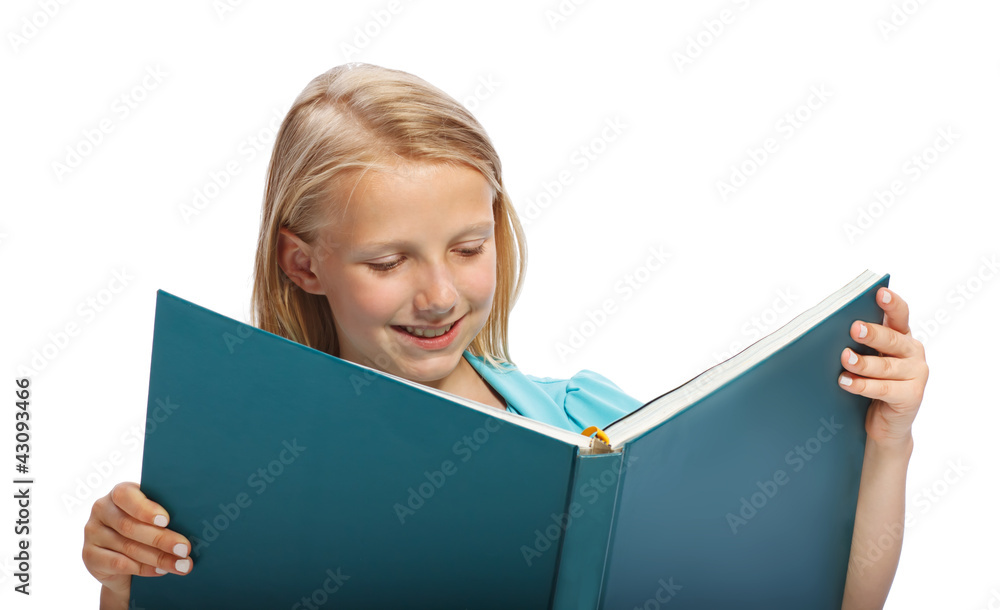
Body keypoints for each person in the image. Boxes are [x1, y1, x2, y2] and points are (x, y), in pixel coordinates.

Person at [81, 62, 928, 609]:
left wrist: (887, 444)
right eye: (388, 261)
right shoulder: (234, 471)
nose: (440, 294)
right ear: (305, 265)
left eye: (467, 247)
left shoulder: (597, 430)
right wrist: (124, 579)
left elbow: (832, 604)